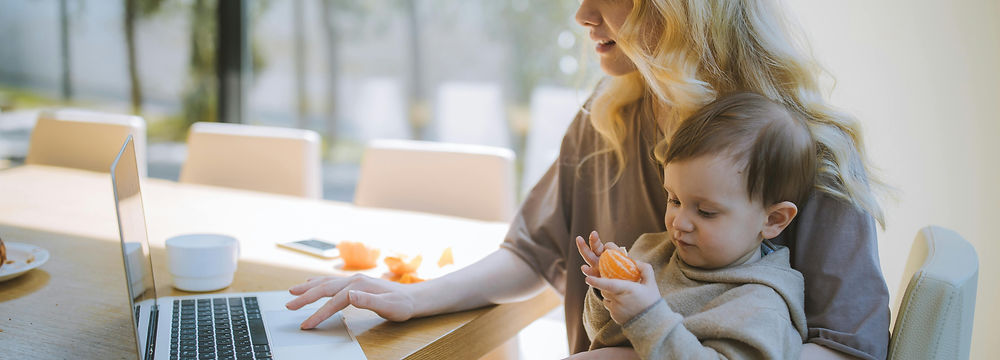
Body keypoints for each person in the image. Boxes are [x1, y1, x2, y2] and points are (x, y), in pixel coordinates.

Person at [285, 0, 891, 359]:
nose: (580, 13)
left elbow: (847, 345)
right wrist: (415, 296)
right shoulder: (607, 115)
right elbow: (534, 251)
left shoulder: (807, 150)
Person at [577, 92, 814, 359]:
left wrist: (646, 316)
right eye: (674, 200)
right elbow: (601, 335)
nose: (679, 222)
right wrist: (607, 291)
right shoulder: (652, 253)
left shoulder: (761, 306)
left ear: (772, 220)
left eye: (706, 211)